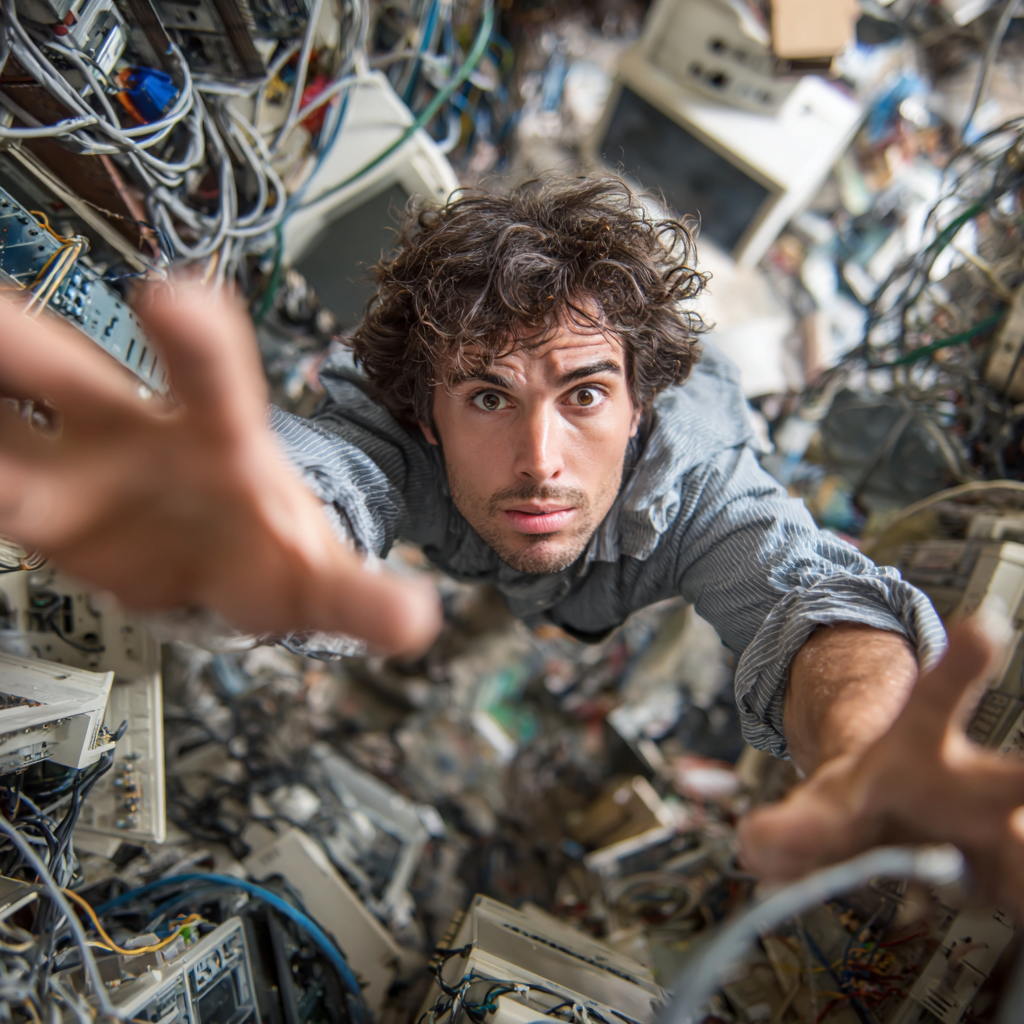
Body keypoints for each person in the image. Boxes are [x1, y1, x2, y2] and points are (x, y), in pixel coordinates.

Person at [2, 176, 1023, 910]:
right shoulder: (391, 435)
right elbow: (319, 479)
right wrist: (235, 533)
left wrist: (862, 747)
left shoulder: (700, 480)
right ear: (428, 414)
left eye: (583, 393)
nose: (540, 458)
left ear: (639, 407)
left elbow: (811, 605)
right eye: (489, 394)